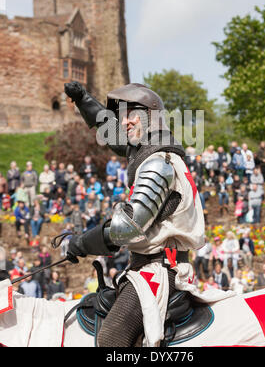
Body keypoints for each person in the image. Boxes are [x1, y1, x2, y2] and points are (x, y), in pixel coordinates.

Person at [64, 80, 205, 347]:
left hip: (160, 270)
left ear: (150, 118)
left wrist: (81, 243)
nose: (125, 121)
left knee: (110, 340)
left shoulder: (158, 164)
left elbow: (126, 228)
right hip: (149, 266)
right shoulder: (154, 154)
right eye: (123, 116)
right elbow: (116, 136)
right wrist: (84, 100)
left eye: (132, 115)